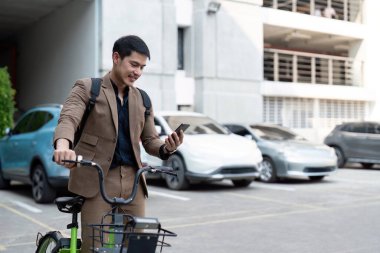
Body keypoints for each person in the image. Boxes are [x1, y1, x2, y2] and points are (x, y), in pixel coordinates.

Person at [53, 35, 184, 251]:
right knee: (96, 246)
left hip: (133, 181)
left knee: (139, 246)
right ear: (116, 57)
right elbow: (69, 118)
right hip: (96, 180)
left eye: (142, 67)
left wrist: (166, 147)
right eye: (134, 64)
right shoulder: (88, 88)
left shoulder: (143, 99)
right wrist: (63, 146)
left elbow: (150, 140)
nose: (138, 72)